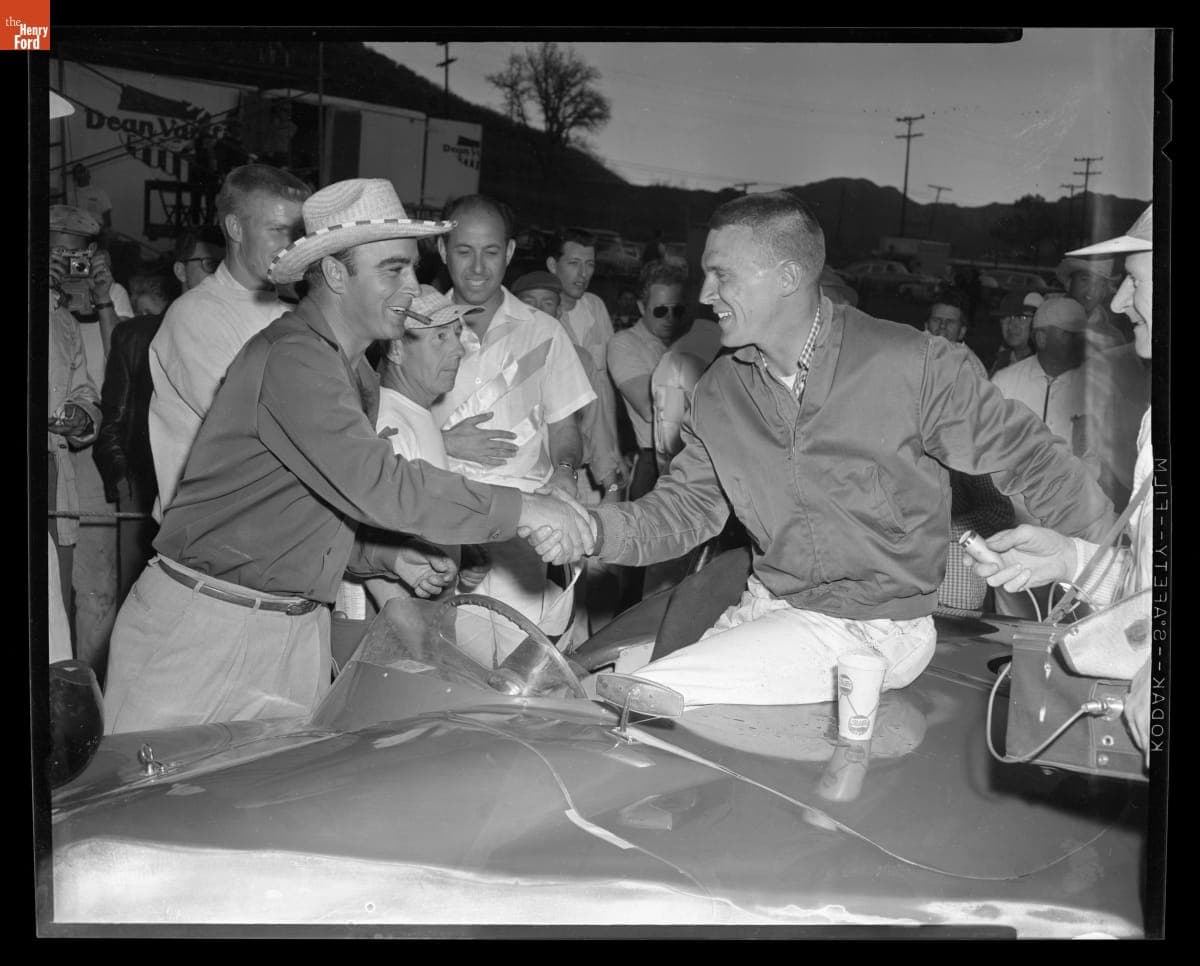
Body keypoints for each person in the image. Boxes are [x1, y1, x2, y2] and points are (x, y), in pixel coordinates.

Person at [577, 191, 1113, 708]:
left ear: (788, 277)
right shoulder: (719, 390)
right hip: (769, 610)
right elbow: (686, 510)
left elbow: (1034, 462)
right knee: (603, 677)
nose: (704, 294)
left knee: (645, 694)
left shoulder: (914, 365)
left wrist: (1121, 572)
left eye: (723, 275)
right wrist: (593, 529)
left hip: (875, 631)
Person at [102, 178, 592, 734]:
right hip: (209, 626)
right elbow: (380, 484)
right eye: (393, 269)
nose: (413, 285)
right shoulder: (295, 358)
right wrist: (526, 509)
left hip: (290, 631)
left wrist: (380, 557)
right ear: (335, 273)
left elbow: (302, 506)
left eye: (412, 266)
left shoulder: (349, 370)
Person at [970, 206, 1154, 763]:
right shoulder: (1155, 421)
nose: (1119, 303)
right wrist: (1071, 559)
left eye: (1136, 281)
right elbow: (1151, 583)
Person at [431, 196, 596, 651]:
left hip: (524, 526)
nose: (478, 267)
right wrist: (443, 441)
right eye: (464, 251)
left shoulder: (544, 331)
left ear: (508, 252)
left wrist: (564, 473)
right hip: (442, 523)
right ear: (443, 251)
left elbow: (566, 429)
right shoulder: (414, 327)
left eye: (490, 252)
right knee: (446, 662)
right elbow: (388, 433)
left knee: (516, 668)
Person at [147, 163, 310, 519]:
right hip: (212, 533)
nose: (291, 246)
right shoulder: (196, 314)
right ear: (235, 227)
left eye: (298, 233)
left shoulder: (294, 310)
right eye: (278, 230)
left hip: (274, 523)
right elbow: (251, 426)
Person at [94, 228, 226, 625]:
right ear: (179, 271)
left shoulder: (244, 336)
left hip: (213, 495)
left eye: (223, 265)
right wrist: (122, 478)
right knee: (140, 608)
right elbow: (113, 417)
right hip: (144, 492)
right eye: (208, 265)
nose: (219, 275)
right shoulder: (135, 335)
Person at [49, 204, 133, 672]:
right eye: (54, 253)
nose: (66, 264)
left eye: (74, 256)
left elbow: (125, 361)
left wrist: (101, 298)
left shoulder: (111, 293)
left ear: (93, 255)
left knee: (97, 582)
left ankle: (88, 681)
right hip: (51, 446)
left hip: (93, 447)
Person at [607, 260, 690, 501]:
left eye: (678, 310)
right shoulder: (625, 343)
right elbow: (648, 406)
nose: (670, 318)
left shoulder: (682, 343)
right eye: (661, 310)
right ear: (642, 307)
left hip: (688, 457)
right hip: (652, 460)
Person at [1056, 255, 1128, 352]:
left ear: (1104, 292)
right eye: (1085, 280)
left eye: (1101, 284)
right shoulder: (1044, 320)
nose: (1092, 290)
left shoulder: (1113, 339)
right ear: (1069, 283)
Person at [989, 291, 1043, 376]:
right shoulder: (1002, 359)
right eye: (1005, 317)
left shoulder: (1044, 368)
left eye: (1022, 317)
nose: (1011, 325)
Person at [71, 163, 113, 232]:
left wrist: (102, 231)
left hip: (98, 231)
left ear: (88, 174)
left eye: (83, 170)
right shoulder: (71, 195)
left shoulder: (99, 192)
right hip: (79, 232)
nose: (82, 173)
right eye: (79, 172)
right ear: (74, 177)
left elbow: (107, 220)